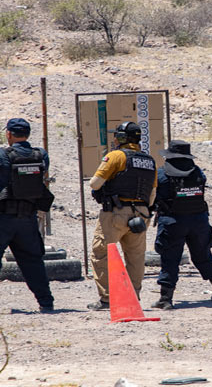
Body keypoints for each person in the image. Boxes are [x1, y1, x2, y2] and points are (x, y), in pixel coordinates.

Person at [0, 118, 55, 314]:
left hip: (1, 216)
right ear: (27, 134)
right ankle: (46, 302)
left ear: (8, 134)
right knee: (32, 260)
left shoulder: (0, 154)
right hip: (28, 217)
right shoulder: (41, 154)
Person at [88, 121, 157, 311]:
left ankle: (108, 300)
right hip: (141, 214)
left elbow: (94, 184)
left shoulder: (116, 156)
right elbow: (152, 196)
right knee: (136, 257)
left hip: (116, 213)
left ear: (123, 139)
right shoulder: (150, 160)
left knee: (101, 253)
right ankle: (133, 297)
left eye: (118, 137)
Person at [151, 140, 212, 310]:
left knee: (170, 259)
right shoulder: (198, 172)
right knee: (203, 255)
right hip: (199, 221)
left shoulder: (162, 174)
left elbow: (154, 198)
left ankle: (165, 299)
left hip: (172, 222)